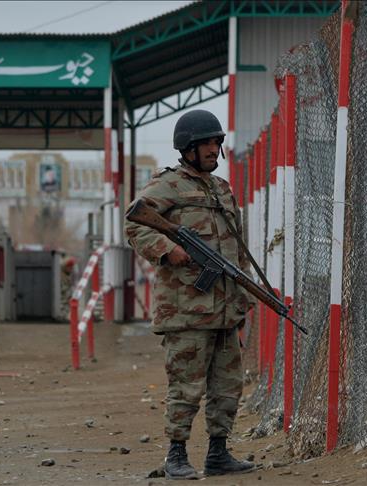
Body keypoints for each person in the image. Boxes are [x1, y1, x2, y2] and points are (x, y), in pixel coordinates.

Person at [125, 109, 256, 479]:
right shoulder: (168, 185)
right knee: (185, 386)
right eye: (206, 144)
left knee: (227, 385)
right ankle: (176, 455)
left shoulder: (222, 189)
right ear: (188, 148)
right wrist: (169, 250)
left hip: (225, 307)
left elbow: (236, 249)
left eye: (217, 143)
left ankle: (219, 452)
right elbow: (135, 225)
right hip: (185, 310)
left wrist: (244, 292)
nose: (214, 149)